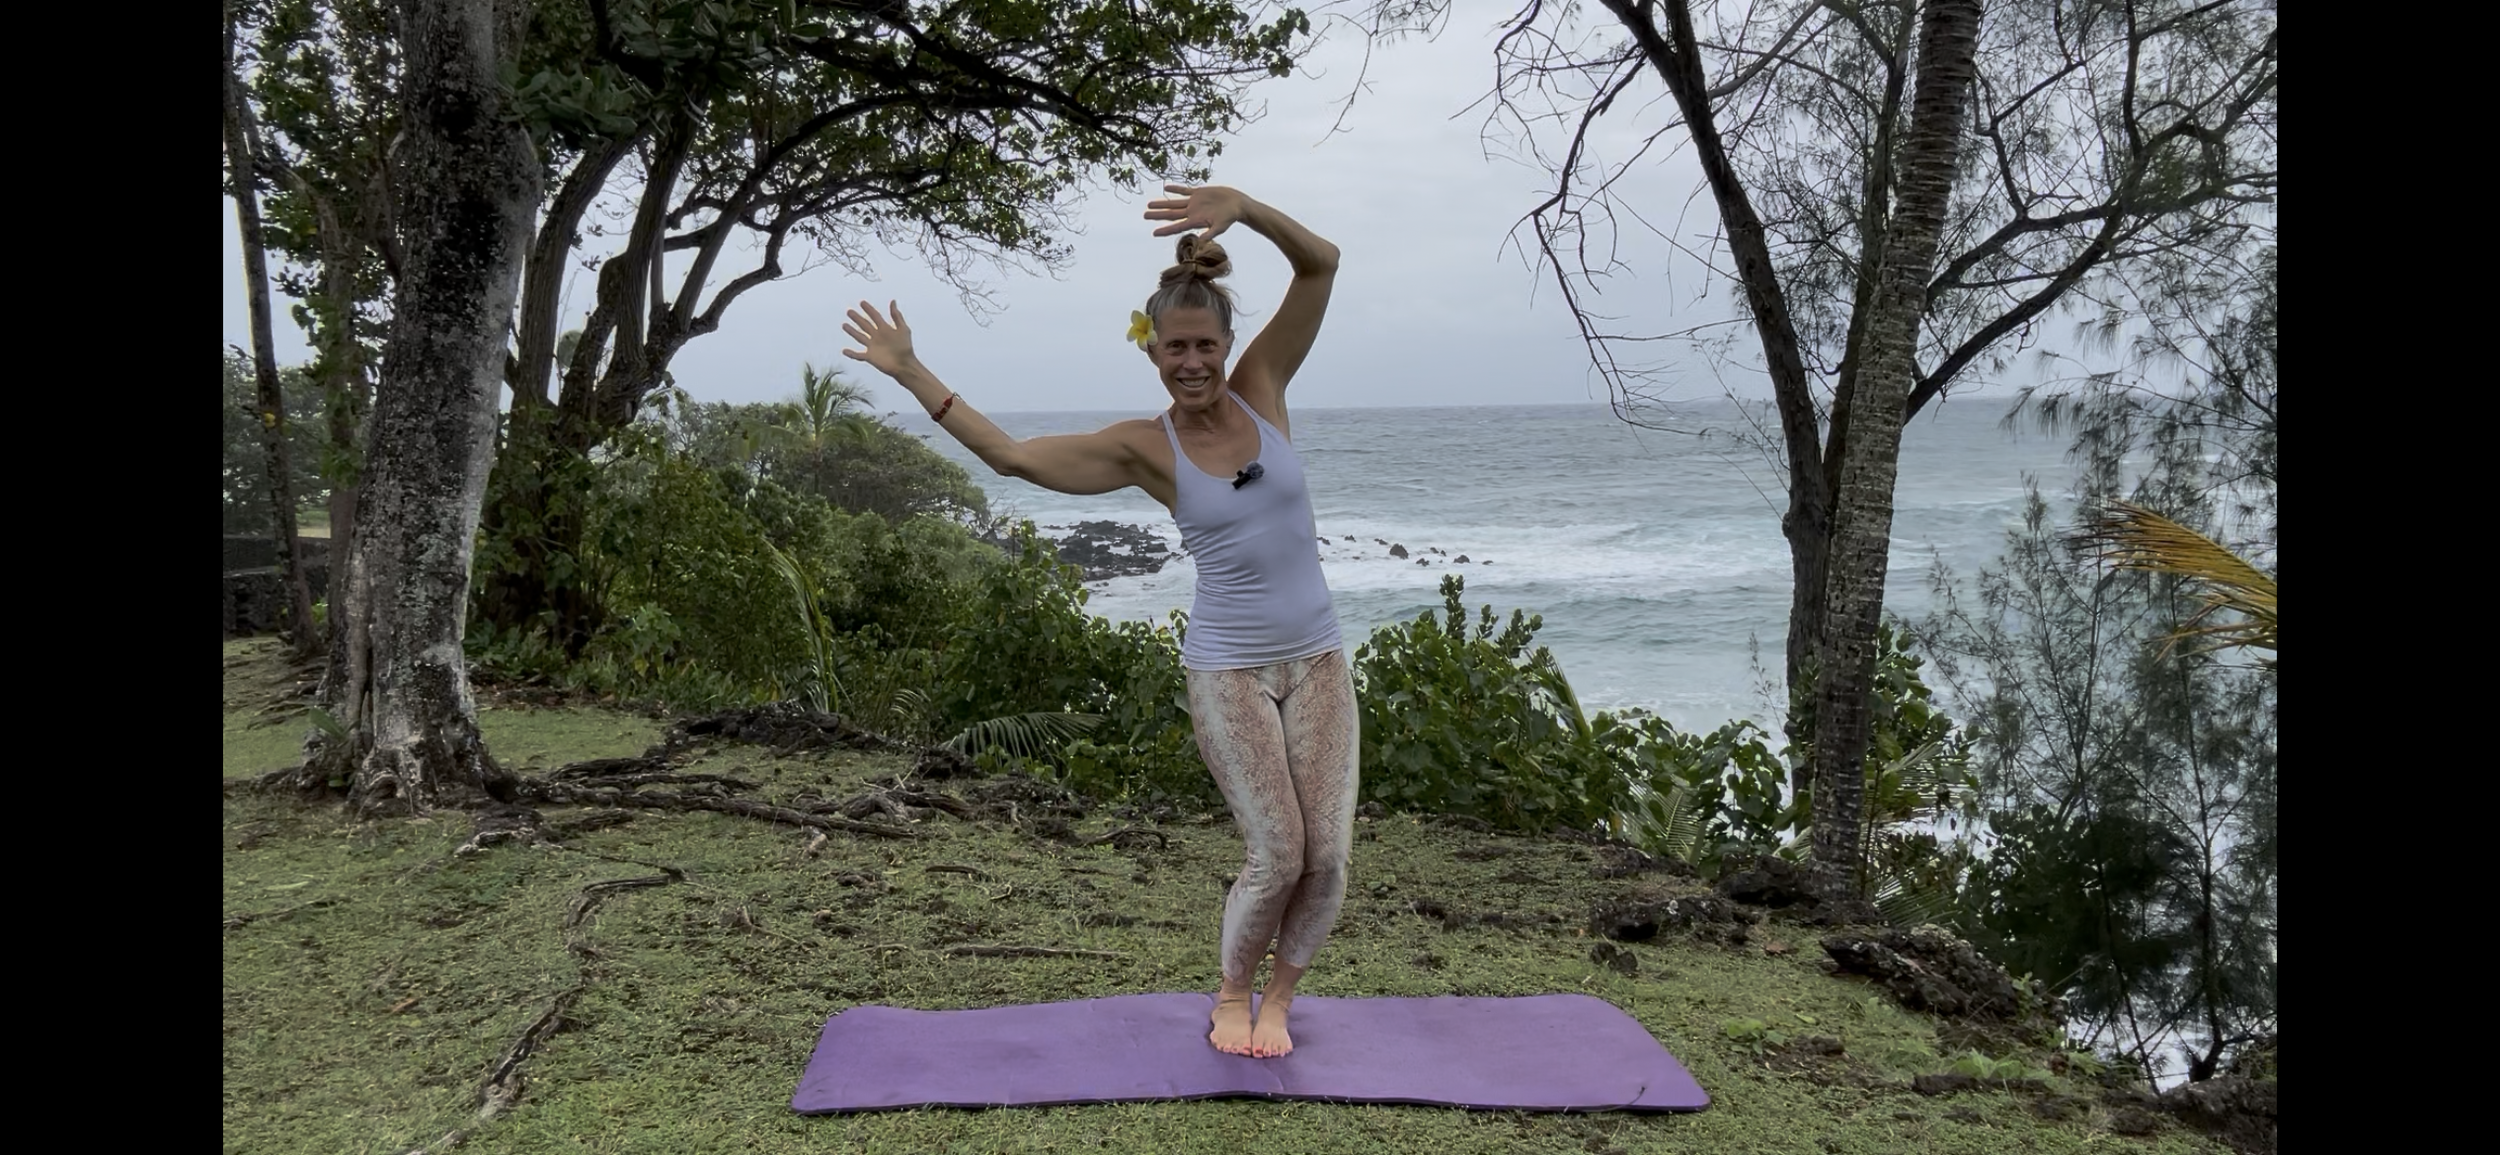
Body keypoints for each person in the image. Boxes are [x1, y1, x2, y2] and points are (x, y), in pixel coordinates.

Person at [840, 184, 1352, 1059]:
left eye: (1205, 346)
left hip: (1318, 661)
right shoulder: (1143, 447)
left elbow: (1322, 264)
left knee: (1328, 860)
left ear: (1229, 347)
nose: (1191, 362)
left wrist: (1245, 207)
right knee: (1277, 851)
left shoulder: (1265, 389)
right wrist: (912, 371)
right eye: (1174, 348)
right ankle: (1232, 992)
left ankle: (1281, 997)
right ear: (1151, 351)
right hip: (1227, 670)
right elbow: (1012, 457)